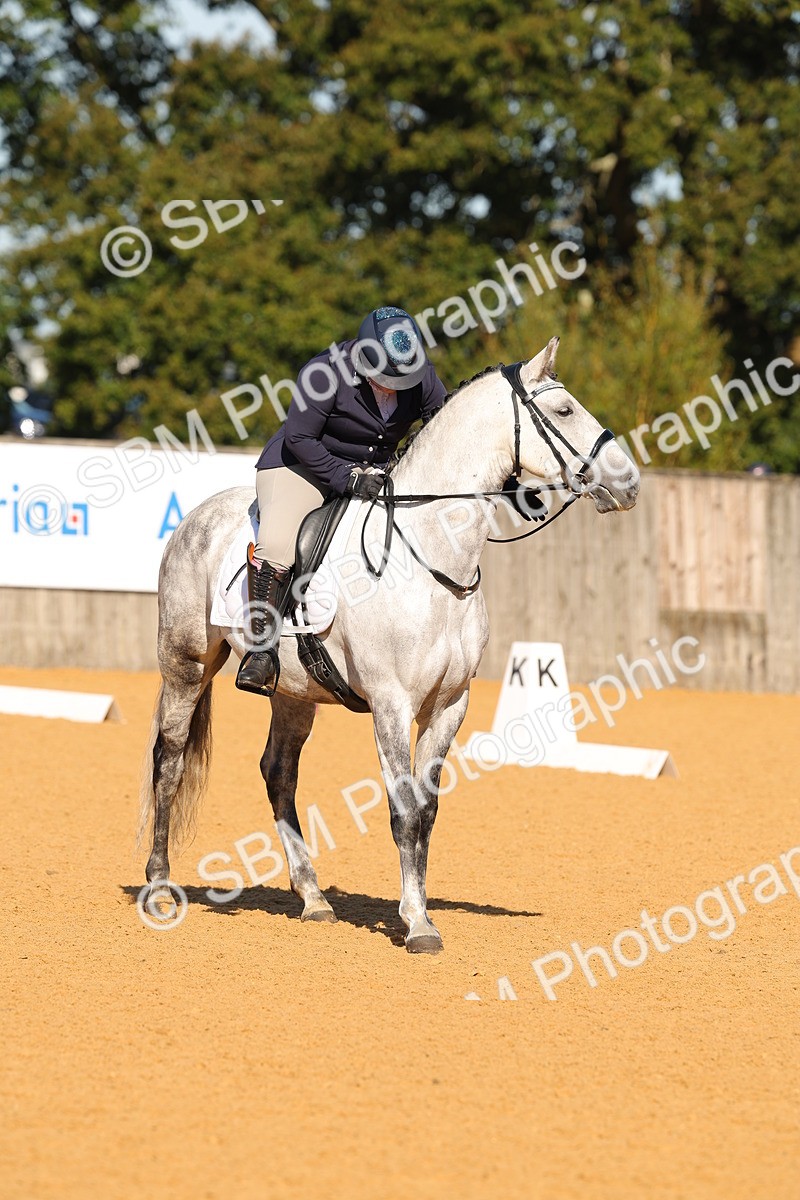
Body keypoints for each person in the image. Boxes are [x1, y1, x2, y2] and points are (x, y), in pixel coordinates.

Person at [236, 306, 447, 695]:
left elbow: (443, 428)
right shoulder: (324, 373)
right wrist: (345, 478)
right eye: (384, 379)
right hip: (302, 467)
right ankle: (261, 651)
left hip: (375, 476)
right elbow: (300, 439)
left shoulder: (418, 374)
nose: (392, 388)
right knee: (280, 542)